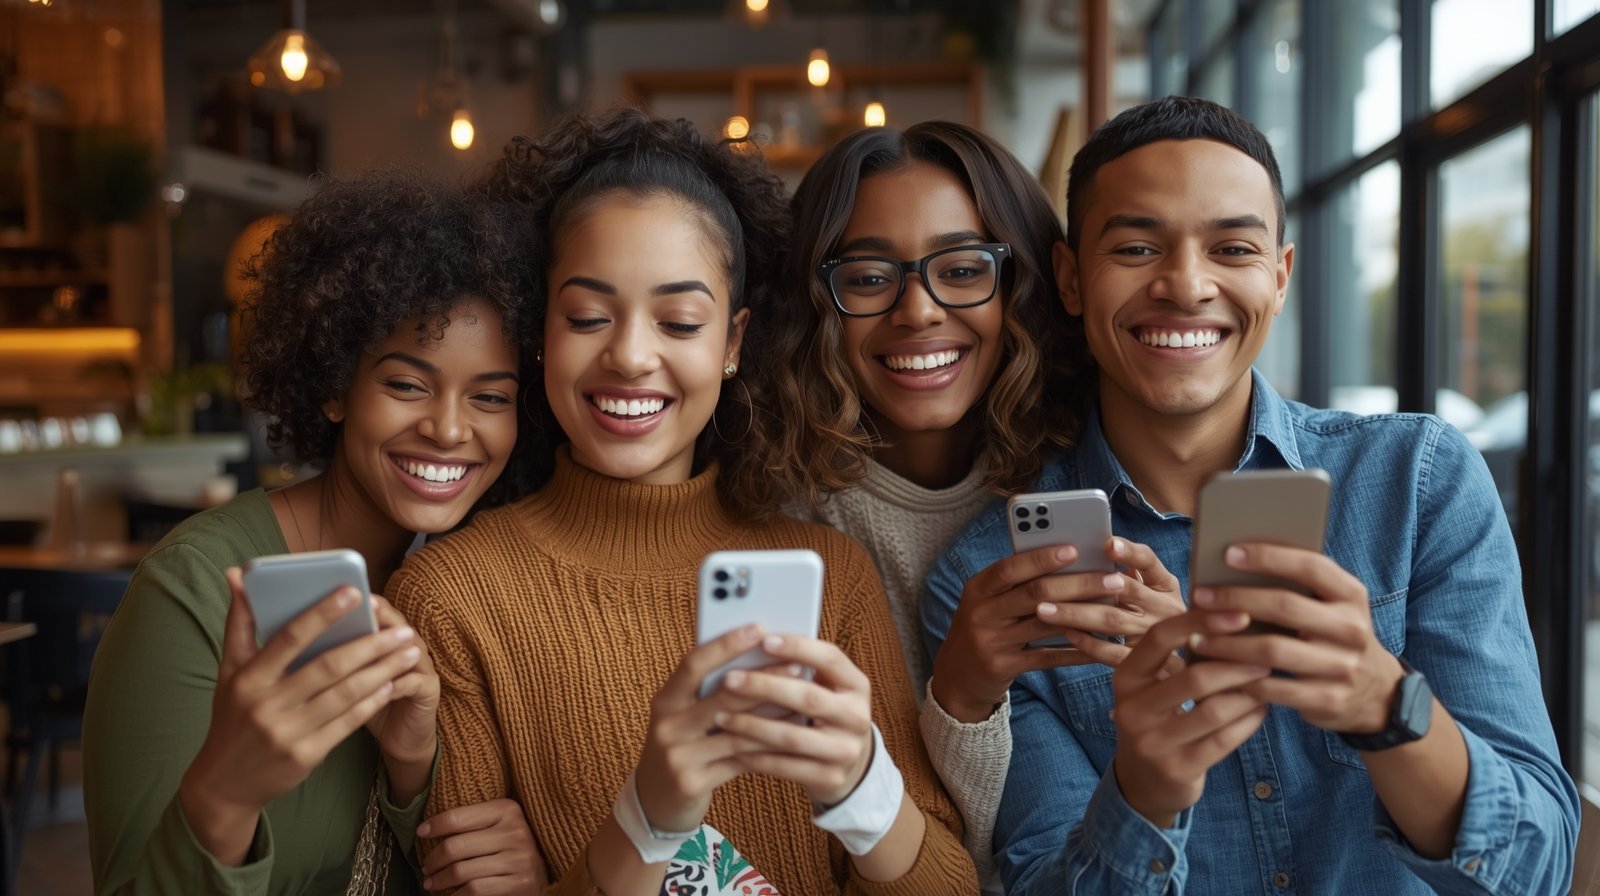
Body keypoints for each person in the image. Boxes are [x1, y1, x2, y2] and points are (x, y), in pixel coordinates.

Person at [922, 95, 1580, 894]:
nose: (1186, 285)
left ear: (1280, 276)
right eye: (1136, 246)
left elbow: (1539, 868)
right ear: (1069, 278)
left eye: (1232, 247)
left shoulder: (1420, 480)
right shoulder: (994, 580)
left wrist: (1382, 701)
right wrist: (1149, 789)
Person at [387, 109, 978, 896]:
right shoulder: (452, 601)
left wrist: (863, 789)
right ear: (541, 334)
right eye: (588, 317)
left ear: (731, 345)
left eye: (679, 321)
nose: (631, 355)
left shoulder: (830, 574)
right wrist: (646, 818)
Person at [84, 172, 546, 895]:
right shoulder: (195, 592)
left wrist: (417, 773)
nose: (450, 429)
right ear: (334, 385)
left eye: (491, 397)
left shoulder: (469, 589)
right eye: (406, 384)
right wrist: (225, 795)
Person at [768, 121, 1186, 886]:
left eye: (963, 269)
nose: (919, 310)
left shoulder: (1095, 483)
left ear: (1025, 282)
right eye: (866, 277)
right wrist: (959, 697)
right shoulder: (781, 526)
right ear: (815, 301)